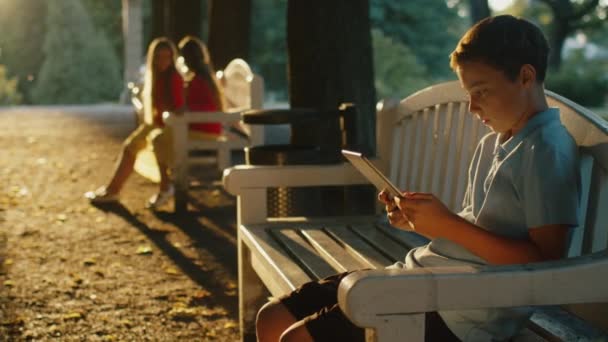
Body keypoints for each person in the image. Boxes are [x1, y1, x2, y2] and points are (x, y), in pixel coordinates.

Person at [255, 15, 581, 342]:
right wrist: (422, 222)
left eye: (481, 91)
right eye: (469, 93)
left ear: (526, 76)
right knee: (272, 318)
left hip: (463, 311)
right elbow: (475, 231)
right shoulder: (495, 142)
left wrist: (448, 226)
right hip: (422, 279)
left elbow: (546, 265)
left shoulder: (546, 151)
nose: (471, 107)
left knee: (294, 339)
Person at [85, 37, 185, 207]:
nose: (163, 61)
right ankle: (113, 189)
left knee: (150, 142)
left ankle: (164, 187)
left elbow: (179, 107)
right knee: (130, 146)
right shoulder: (157, 78)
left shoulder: (173, 78)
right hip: (157, 124)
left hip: (168, 126)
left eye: (167, 57)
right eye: (159, 57)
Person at [145, 35, 227, 209]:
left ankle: (167, 185)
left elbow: (206, 108)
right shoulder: (201, 77)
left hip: (205, 129)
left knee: (158, 139)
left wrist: (187, 109)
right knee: (158, 137)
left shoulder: (199, 80)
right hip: (202, 126)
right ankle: (167, 184)